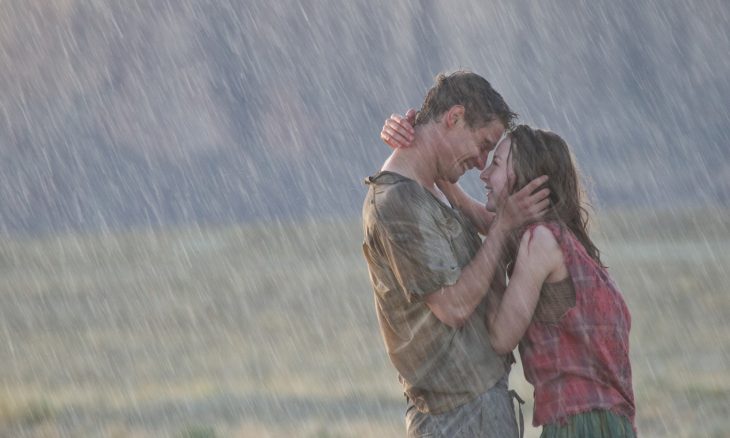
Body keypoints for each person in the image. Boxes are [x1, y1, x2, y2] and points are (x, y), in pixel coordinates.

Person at [385, 118, 637, 437]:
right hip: (607, 423)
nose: (485, 173)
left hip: (578, 426)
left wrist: (492, 261)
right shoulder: (560, 238)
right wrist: (422, 149)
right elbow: (483, 217)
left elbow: (501, 338)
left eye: (498, 164)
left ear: (526, 179)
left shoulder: (540, 241)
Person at [362, 71, 549, 437]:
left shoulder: (434, 183)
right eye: (482, 145)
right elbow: (454, 307)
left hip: (478, 407)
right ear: (454, 118)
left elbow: (486, 219)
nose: (481, 162)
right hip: (453, 418)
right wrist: (502, 228)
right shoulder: (397, 202)